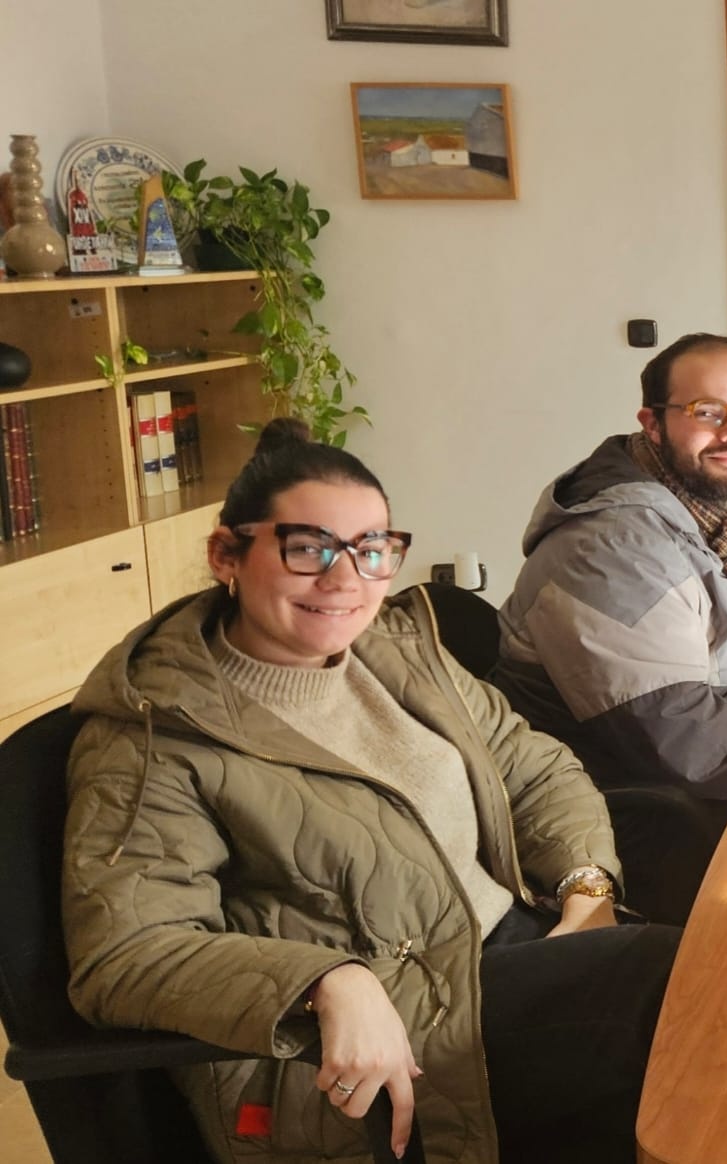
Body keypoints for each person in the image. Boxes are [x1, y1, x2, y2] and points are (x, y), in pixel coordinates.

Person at [63, 419, 681, 1163]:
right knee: (680, 984)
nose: (345, 579)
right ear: (227, 555)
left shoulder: (394, 651)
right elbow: (125, 953)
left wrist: (587, 891)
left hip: (513, 945)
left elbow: (533, 767)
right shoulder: (156, 729)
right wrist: (327, 981)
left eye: (372, 549)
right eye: (308, 549)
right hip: (370, 1037)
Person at [494, 333, 727, 924]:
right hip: (659, 816)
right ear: (652, 424)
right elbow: (685, 744)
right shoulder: (613, 545)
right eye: (708, 412)